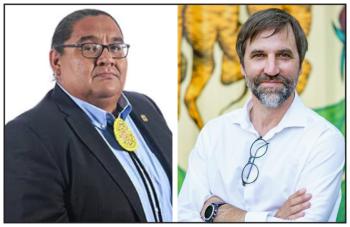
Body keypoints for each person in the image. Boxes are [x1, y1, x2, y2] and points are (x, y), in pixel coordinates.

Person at [5, 9, 172, 223]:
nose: (107, 58)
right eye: (90, 48)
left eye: (115, 47)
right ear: (56, 61)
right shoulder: (26, 136)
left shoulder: (145, 107)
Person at [178, 8, 344, 222]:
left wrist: (222, 214)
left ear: (300, 65)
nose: (271, 68)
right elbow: (184, 217)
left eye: (284, 55)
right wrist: (273, 218)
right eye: (259, 56)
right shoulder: (214, 133)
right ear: (243, 67)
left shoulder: (324, 140)